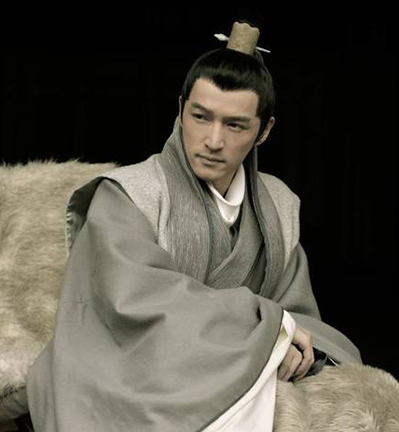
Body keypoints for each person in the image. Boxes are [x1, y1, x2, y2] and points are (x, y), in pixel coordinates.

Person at [26, 22, 361, 432]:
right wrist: (270, 330)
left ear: (264, 130)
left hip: (241, 367)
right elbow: (136, 303)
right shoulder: (130, 195)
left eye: (235, 125)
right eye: (200, 117)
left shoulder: (277, 205)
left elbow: (298, 314)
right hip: (131, 367)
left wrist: (289, 341)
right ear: (181, 109)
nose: (213, 140)